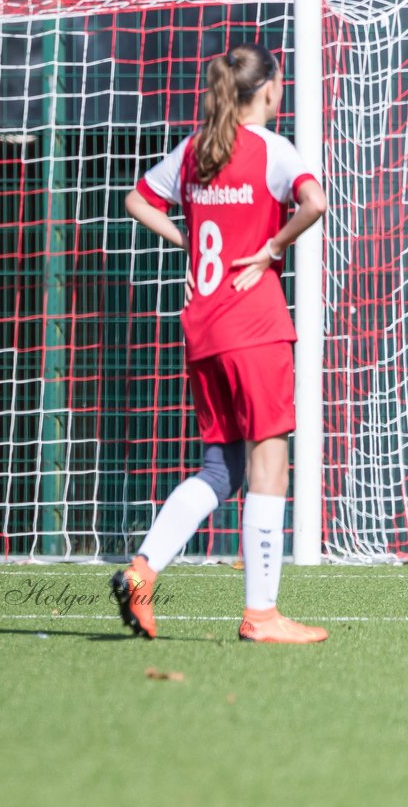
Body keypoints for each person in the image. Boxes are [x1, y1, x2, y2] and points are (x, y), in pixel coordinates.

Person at [112, 43, 329, 643]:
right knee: (269, 463)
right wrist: (273, 248)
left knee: (221, 466)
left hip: (203, 326)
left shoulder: (196, 149)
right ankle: (261, 615)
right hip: (254, 326)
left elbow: (136, 199)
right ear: (270, 90)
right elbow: (314, 202)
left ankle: (142, 570)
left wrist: (185, 240)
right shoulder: (270, 149)